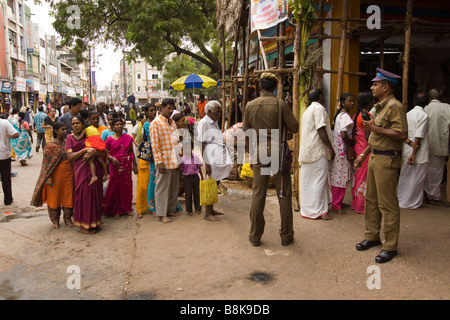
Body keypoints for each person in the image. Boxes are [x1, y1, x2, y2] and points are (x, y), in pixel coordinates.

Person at [354, 68, 407, 263]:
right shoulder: (379, 106)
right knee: (371, 200)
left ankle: (390, 246)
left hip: (387, 159)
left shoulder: (395, 107)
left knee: (388, 204)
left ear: (385, 87)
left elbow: (401, 134)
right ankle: (371, 236)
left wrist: (375, 127)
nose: (372, 87)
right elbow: (375, 136)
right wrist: (363, 155)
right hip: (375, 156)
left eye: (375, 84)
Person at [243, 73, 298, 246]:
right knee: (283, 193)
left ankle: (255, 235)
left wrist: (251, 154)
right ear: (274, 88)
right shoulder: (281, 104)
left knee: (258, 194)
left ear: (260, 87)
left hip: (259, 149)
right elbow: (294, 127)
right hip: (278, 149)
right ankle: (286, 236)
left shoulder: (250, 105)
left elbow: (247, 133)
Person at [299, 89, 335, 220]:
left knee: (309, 182)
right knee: (319, 181)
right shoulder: (319, 109)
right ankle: (319, 211)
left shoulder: (308, 110)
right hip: (318, 150)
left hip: (308, 151)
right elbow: (321, 129)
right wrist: (330, 148)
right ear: (321, 97)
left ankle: (309, 210)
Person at [30, 122, 74, 229]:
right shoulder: (50, 145)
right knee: (54, 199)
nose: (65, 131)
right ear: (55, 131)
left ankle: (67, 219)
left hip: (68, 176)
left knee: (68, 197)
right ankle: (55, 221)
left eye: (65, 129)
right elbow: (46, 164)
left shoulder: (68, 143)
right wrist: (48, 177)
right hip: (54, 177)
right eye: (62, 129)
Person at [66, 115, 105, 234]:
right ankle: (84, 225)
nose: (75, 125)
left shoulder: (89, 134)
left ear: (83, 124)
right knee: (84, 196)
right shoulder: (70, 138)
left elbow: (101, 149)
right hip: (81, 170)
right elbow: (70, 156)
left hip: (94, 169)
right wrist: (84, 151)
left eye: (78, 123)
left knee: (95, 196)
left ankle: (95, 222)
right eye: (73, 124)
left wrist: (93, 151)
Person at [198, 100, 233, 222]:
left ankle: (211, 209)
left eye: (219, 111)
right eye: (217, 112)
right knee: (211, 183)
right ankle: (207, 212)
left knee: (216, 181)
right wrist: (206, 163)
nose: (219, 114)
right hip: (210, 155)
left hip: (217, 154)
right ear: (208, 112)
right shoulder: (203, 123)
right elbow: (201, 144)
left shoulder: (214, 122)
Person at [149, 98, 180, 223]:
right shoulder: (155, 123)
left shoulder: (172, 122)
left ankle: (171, 209)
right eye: (168, 108)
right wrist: (159, 162)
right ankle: (162, 214)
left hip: (174, 159)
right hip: (164, 161)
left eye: (172, 108)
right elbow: (154, 145)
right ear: (161, 108)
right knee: (162, 188)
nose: (171, 110)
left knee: (173, 187)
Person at [398, 92, 430, 209]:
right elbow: (419, 136)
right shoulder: (424, 115)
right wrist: (414, 153)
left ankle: (402, 199)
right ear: (427, 102)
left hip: (408, 149)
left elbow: (403, 134)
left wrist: (409, 145)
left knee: (406, 176)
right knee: (416, 178)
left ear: (415, 101)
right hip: (418, 153)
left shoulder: (408, 114)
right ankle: (411, 202)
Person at [103, 118, 137, 218]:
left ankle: (127, 208)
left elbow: (131, 152)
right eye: (117, 124)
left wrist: (134, 164)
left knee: (127, 186)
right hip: (114, 166)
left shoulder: (127, 138)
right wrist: (111, 158)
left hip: (126, 166)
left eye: (121, 124)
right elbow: (105, 152)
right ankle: (116, 210)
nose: (119, 126)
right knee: (115, 187)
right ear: (113, 127)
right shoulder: (109, 139)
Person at [423, 88, 450, 206]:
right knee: (436, 172)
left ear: (430, 97)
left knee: (426, 170)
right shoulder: (447, 108)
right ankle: (434, 196)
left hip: (424, 145)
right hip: (440, 144)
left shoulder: (425, 108)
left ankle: (426, 194)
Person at [330, 93, 355, 214]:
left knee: (340, 177)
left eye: (353, 101)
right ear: (343, 103)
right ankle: (336, 205)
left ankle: (338, 202)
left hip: (339, 150)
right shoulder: (345, 116)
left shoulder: (340, 115)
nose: (352, 103)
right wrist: (352, 142)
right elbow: (344, 134)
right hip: (342, 151)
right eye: (350, 101)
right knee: (340, 177)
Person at [71, 111, 110, 186]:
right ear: (89, 120)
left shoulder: (97, 130)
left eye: (97, 119)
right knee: (101, 161)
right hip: (99, 147)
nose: (96, 121)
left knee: (91, 160)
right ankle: (106, 175)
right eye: (93, 119)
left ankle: (94, 176)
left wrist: (73, 134)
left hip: (94, 149)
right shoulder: (94, 129)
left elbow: (78, 138)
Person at [351, 91, 374, 214]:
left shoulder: (357, 115)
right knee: (363, 177)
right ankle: (361, 205)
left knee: (358, 175)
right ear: (369, 102)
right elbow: (369, 136)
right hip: (365, 149)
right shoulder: (366, 115)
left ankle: (356, 204)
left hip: (358, 147)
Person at [180, 138, 203, 216]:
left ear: (192, 148)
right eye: (186, 148)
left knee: (197, 193)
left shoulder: (195, 157)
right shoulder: (182, 159)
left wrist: (202, 177)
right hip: (187, 179)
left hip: (195, 177)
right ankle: (189, 210)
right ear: (183, 148)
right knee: (188, 194)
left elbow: (199, 167)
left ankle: (198, 208)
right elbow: (181, 169)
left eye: (189, 147)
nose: (187, 149)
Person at [0, 117, 19, 205]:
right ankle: (8, 199)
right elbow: (16, 134)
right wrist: (9, 136)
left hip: (4, 154)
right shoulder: (4, 122)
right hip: (4, 155)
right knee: (6, 178)